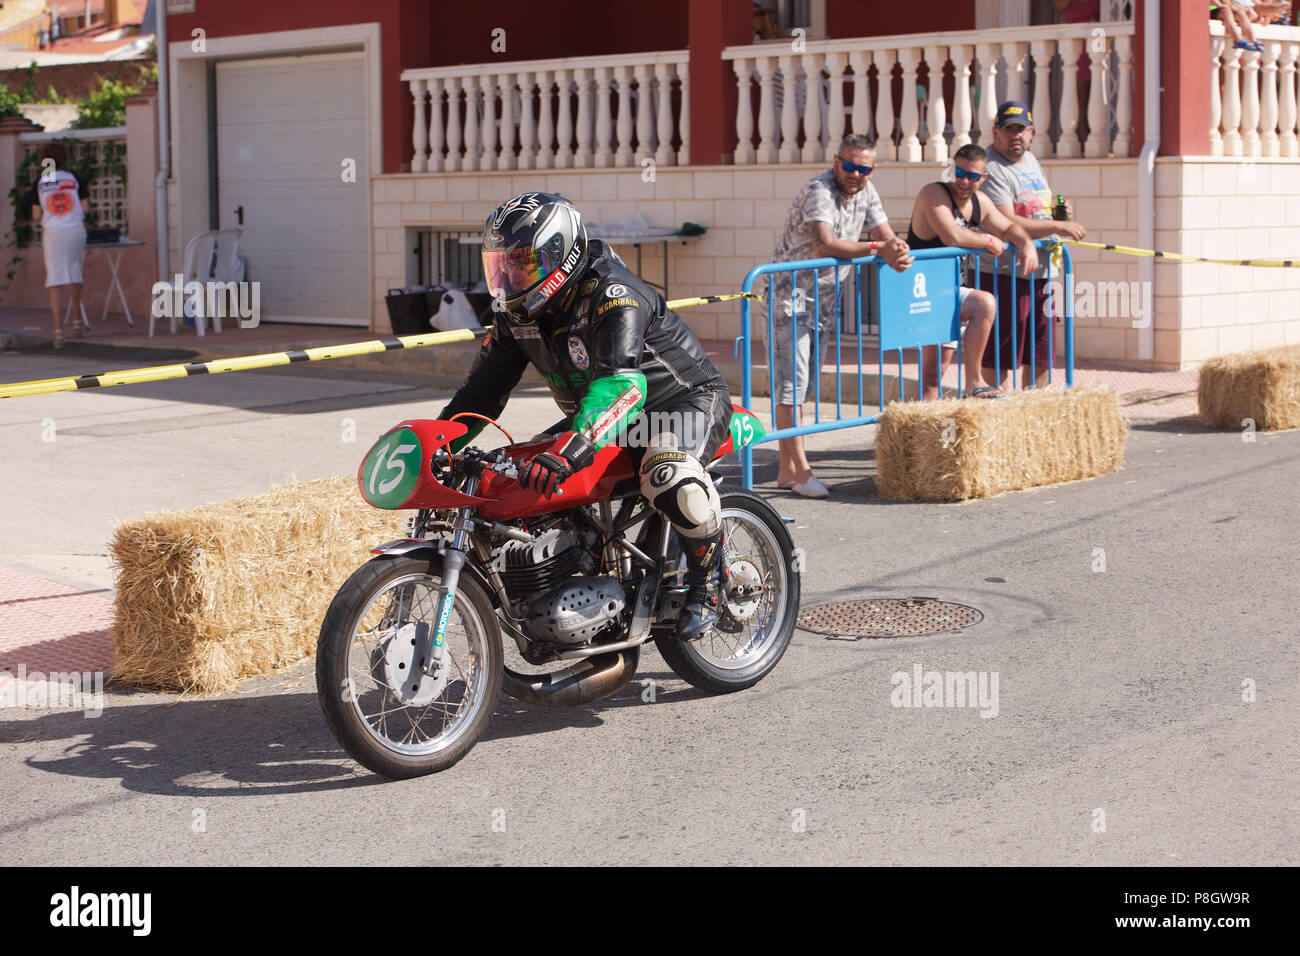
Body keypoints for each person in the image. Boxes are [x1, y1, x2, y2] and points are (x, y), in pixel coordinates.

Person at [438, 192, 732, 641]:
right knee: (511, 472)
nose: (510, 277)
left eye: (523, 264)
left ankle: (710, 584)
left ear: (562, 253)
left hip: (680, 403)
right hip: (601, 415)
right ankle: (578, 575)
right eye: (502, 266)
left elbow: (621, 385)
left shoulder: (614, 293)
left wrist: (571, 449)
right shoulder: (516, 316)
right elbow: (483, 392)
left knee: (667, 473)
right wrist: (440, 445)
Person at [768, 133, 912, 498]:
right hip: (792, 297)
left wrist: (895, 246)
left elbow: (884, 234)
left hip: (824, 300)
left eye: (863, 168)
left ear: (872, 169)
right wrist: (882, 248)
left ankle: (788, 469)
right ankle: (800, 472)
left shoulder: (867, 191)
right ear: (836, 161)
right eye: (849, 165)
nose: (856, 174)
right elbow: (825, 244)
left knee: (804, 384)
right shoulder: (820, 191)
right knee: (792, 384)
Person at [905, 144, 1039, 401]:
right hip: (921, 292)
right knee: (932, 376)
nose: (965, 181)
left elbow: (1009, 227)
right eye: (960, 173)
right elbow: (952, 235)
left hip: (949, 290)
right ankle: (919, 437)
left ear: (983, 178)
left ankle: (973, 381)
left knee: (985, 303)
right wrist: (988, 241)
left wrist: (1028, 245)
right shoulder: (933, 193)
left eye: (973, 176)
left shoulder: (980, 202)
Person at [978, 101, 1088, 390]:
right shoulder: (991, 167)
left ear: (1031, 132)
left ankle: (1033, 415)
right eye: (1008, 130)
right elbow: (1006, 219)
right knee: (1000, 355)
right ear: (995, 132)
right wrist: (1058, 227)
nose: (1016, 136)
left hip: (1043, 272)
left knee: (1041, 354)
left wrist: (1056, 215)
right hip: (1006, 273)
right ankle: (995, 415)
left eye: (1021, 130)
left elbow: (1034, 207)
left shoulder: (1030, 160)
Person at [29, 142, 90, 350]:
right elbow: (85, 207)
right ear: (65, 158)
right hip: (75, 230)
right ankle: (77, 322)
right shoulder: (74, 179)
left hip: (53, 232)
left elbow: (36, 214)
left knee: (55, 278)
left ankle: (58, 331)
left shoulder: (39, 182)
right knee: (75, 273)